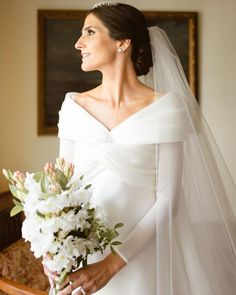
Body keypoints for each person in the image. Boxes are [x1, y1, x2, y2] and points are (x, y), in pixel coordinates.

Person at [44, 2, 236, 295]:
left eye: (90, 32)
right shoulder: (73, 108)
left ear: (122, 42)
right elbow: (61, 190)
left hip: (145, 258)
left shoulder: (166, 108)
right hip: (83, 259)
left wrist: (110, 264)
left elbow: (168, 198)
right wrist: (51, 251)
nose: (78, 43)